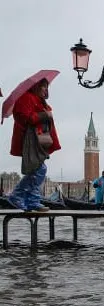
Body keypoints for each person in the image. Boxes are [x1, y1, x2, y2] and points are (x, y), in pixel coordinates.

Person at [7, 79, 61, 212]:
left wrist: (46, 113)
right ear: (36, 87)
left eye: (46, 87)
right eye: (43, 87)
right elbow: (24, 117)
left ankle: (30, 200)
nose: (46, 90)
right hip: (32, 138)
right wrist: (44, 115)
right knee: (39, 168)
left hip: (40, 138)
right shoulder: (26, 98)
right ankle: (21, 196)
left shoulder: (40, 101)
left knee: (38, 169)